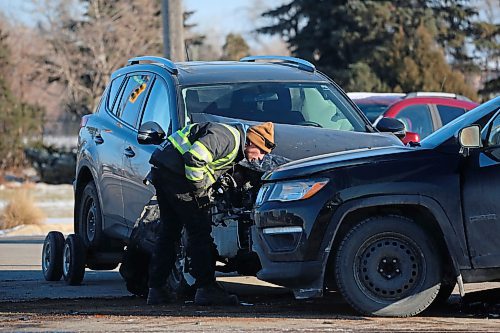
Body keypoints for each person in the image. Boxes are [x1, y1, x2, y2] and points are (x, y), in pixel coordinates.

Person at [146, 121, 275, 306]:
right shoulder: (228, 138)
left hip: (165, 169)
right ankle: (206, 289)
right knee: (199, 232)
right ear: (251, 143)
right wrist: (199, 194)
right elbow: (194, 158)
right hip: (176, 175)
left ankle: (157, 289)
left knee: (170, 231)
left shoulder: (232, 140)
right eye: (261, 152)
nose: (260, 158)